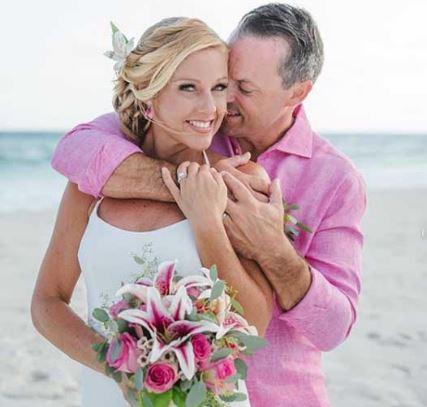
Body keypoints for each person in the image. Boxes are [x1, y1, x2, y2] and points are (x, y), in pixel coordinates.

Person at [48, 4, 367, 407]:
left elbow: (333, 328)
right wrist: (196, 184)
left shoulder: (336, 179)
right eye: (224, 81)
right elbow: (75, 150)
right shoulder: (189, 130)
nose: (222, 101)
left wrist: (272, 248)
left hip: (280, 395)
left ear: (297, 93)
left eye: (242, 88)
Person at [31, 17, 274, 407]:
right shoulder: (92, 184)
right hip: (108, 394)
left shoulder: (239, 180)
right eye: (188, 87)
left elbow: (254, 325)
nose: (210, 107)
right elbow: (47, 302)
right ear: (148, 98)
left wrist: (207, 222)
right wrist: (117, 368)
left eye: (218, 87)